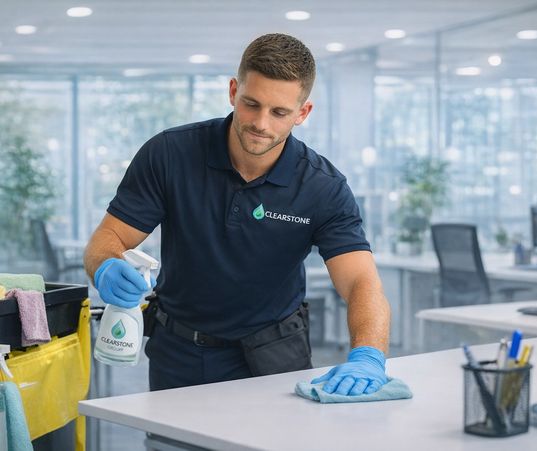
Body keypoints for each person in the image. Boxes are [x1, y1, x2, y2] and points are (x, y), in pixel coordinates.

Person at [84, 33, 391, 396]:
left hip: (274, 357)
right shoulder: (169, 154)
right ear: (233, 91)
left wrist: (369, 353)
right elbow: (109, 239)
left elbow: (360, 281)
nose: (261, 123)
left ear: (302, 113)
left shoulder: (322, 187)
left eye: (279, 112)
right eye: (251, 104)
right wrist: (105, 265)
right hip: (178, 351)